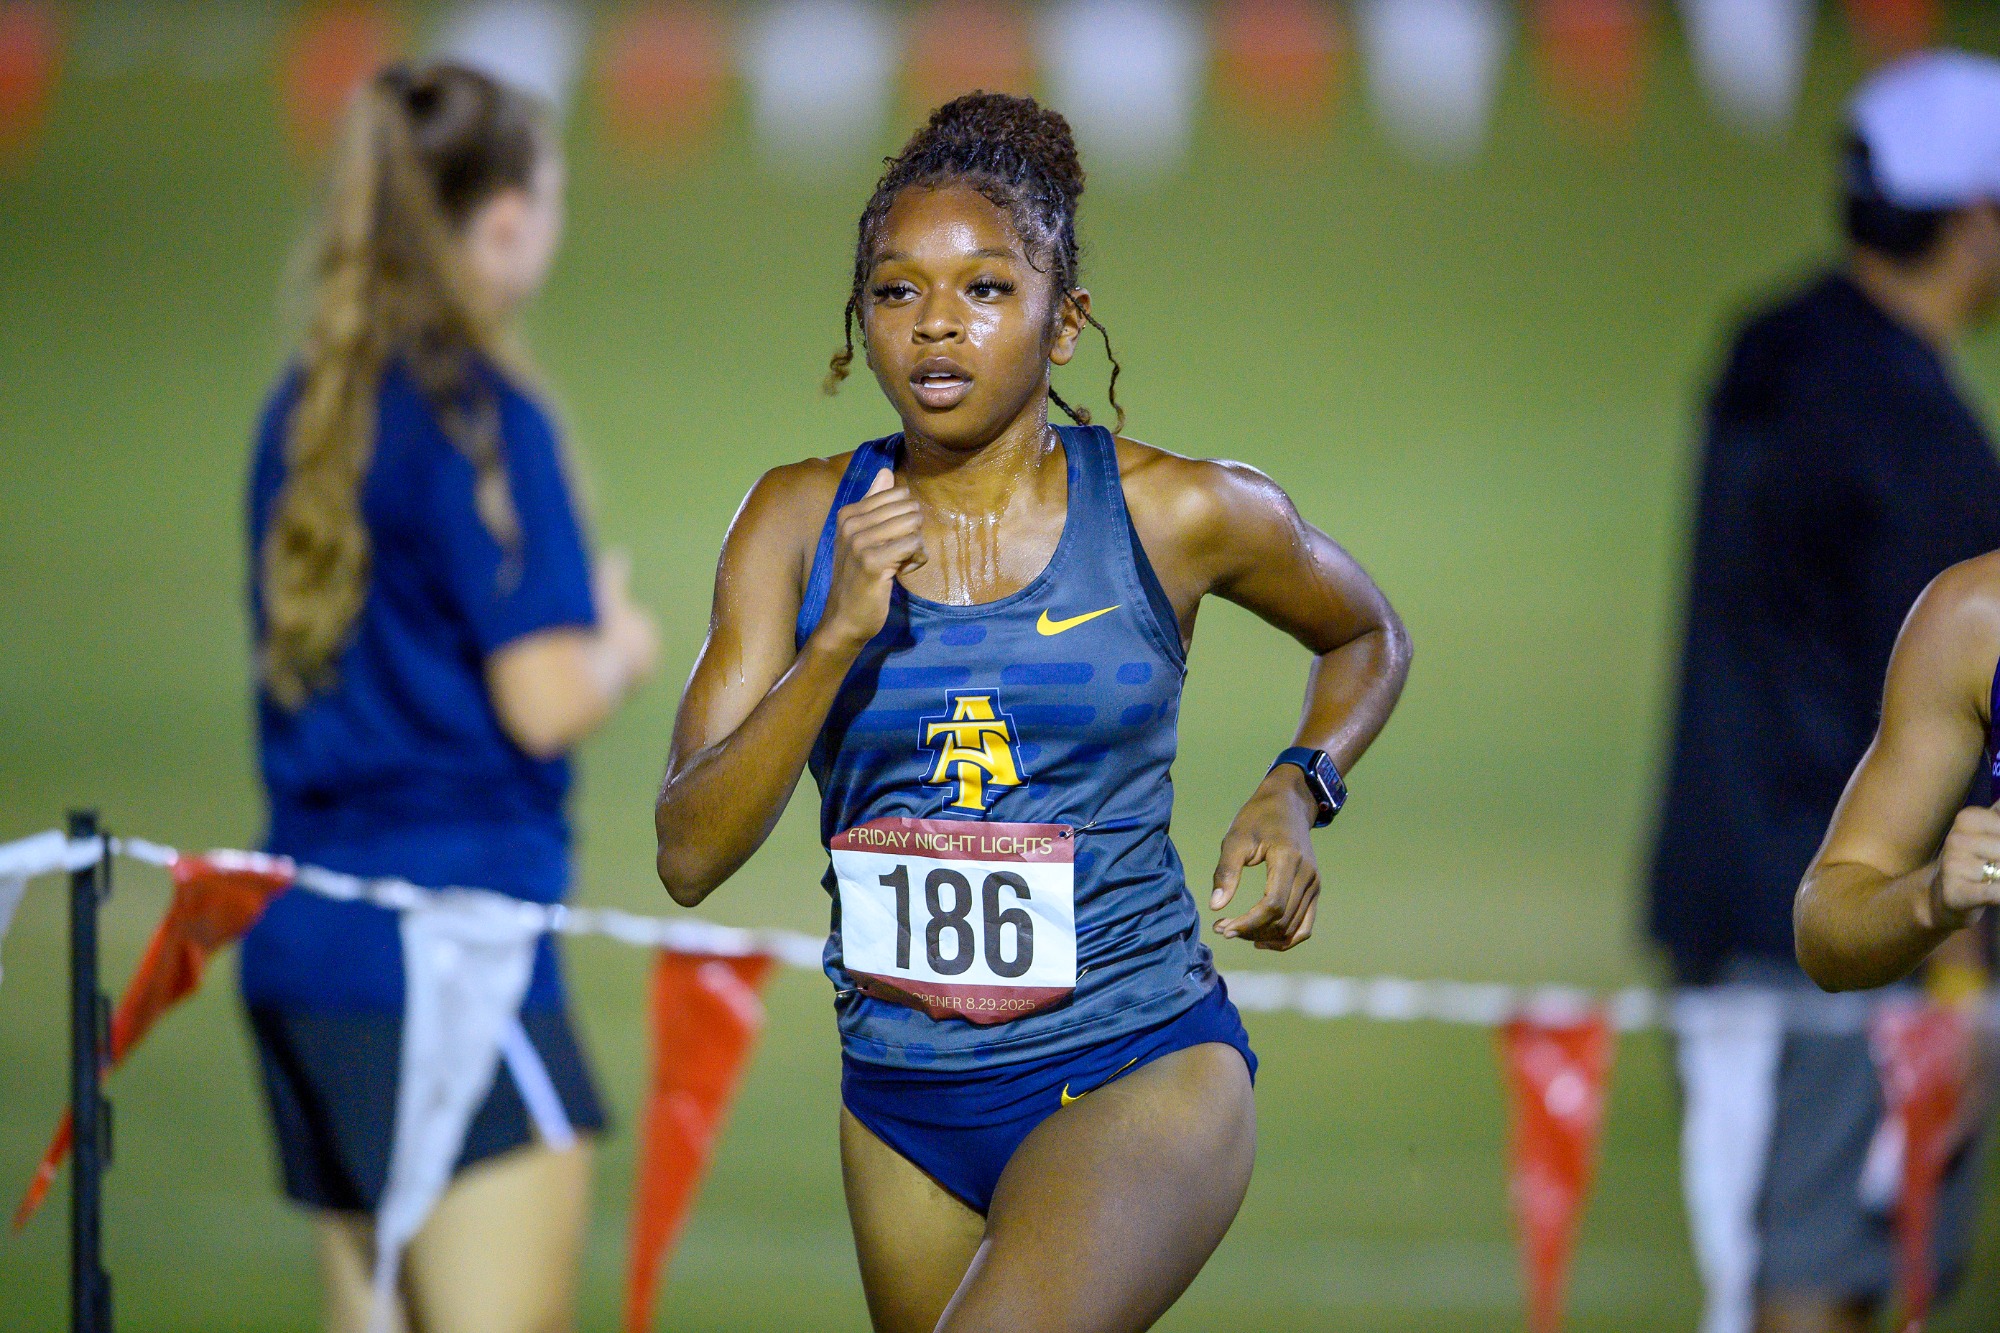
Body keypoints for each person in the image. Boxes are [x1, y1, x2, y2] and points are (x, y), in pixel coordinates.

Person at [653, 92, 1409, 1333]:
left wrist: (1296, 784)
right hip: (898, 1098)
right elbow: (688, 850)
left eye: (986, 289)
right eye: (895, 291)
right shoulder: (794, 526)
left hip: (1136, 1062)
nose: (936, 326)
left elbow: (1367, 631)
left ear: (1065, 323)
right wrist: (837, 633)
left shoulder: (1178, 513)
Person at [241, 63, 658, 1333]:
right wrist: (618, 647)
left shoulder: (303, 407)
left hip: (308, 947)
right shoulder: (484, 418)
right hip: (449, 959)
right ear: (502, 223)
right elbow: (538, 699)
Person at [1649, 51, 2000, 1333]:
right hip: (1852, 918)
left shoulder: (1766, 345)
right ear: (1971, 219)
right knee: (1814, 1274)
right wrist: (1958, 976)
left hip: (1723, 874)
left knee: (1788, 1257)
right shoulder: (1923, 436)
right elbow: (1949, 722)